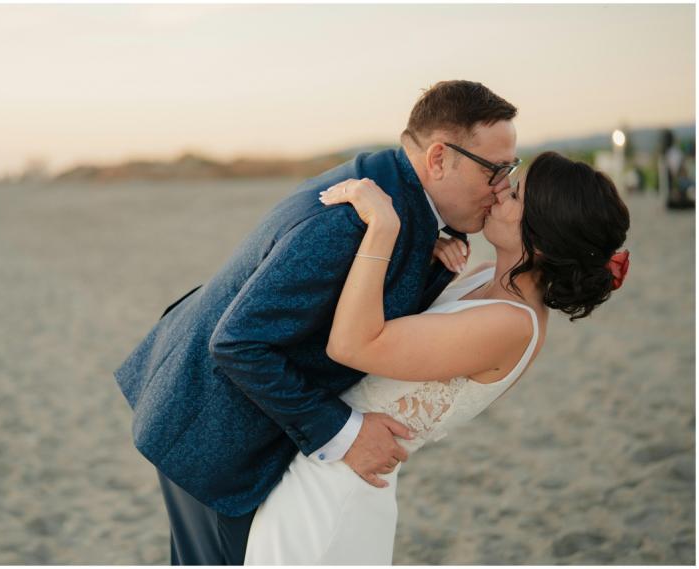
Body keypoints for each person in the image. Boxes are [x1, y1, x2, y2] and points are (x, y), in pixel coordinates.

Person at [113, 80, 520, 565]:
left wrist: (427, 253)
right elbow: (239, 343)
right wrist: (345, 432)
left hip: (236, 414)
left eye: (510, 170)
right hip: (209, 426)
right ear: (437, 159)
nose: (503, 189)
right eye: (495, 171)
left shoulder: (403, 203)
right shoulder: (347, 224)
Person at [243, 151, 631, 564]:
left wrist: (384, 229)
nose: (500, 191)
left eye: (515, 194)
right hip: (323, 458)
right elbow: (410, 338)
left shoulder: (511, 324)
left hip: (334, 491)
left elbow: (352, 346)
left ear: (545, 238)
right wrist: (426, 259)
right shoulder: (487, 276)